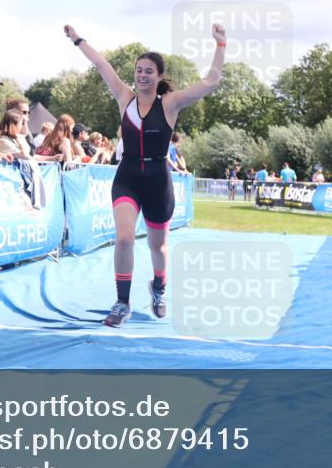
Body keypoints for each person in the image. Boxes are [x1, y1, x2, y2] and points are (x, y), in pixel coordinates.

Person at [64, 22, 226, 327]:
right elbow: (101, 63)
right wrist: (77, 40)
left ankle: (159, 288)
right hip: (128, 177)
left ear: (159, 76)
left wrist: (220, 45)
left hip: (157, 180)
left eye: (149, 71)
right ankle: (121, 303)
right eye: (139, 70)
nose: (142, 75)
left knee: (157, 246)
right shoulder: (124, 98)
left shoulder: (171, 103)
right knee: (124, 238)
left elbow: (210, 82)